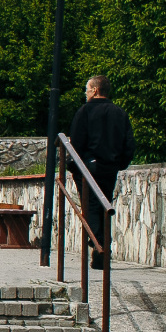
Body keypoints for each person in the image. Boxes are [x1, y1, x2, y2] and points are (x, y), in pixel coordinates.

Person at [67, 75, 136, 266]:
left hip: (88, 167)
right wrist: (120, 163)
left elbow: (77, 142)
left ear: (95, 90)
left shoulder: (85, 111)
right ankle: (101, 249)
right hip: (110, 167)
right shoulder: (119, 113)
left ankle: (99, 244)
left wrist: (74, 165)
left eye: (87, 89)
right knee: (105, 206)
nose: (86, 93)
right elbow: (129, 143)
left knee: (90, 207)